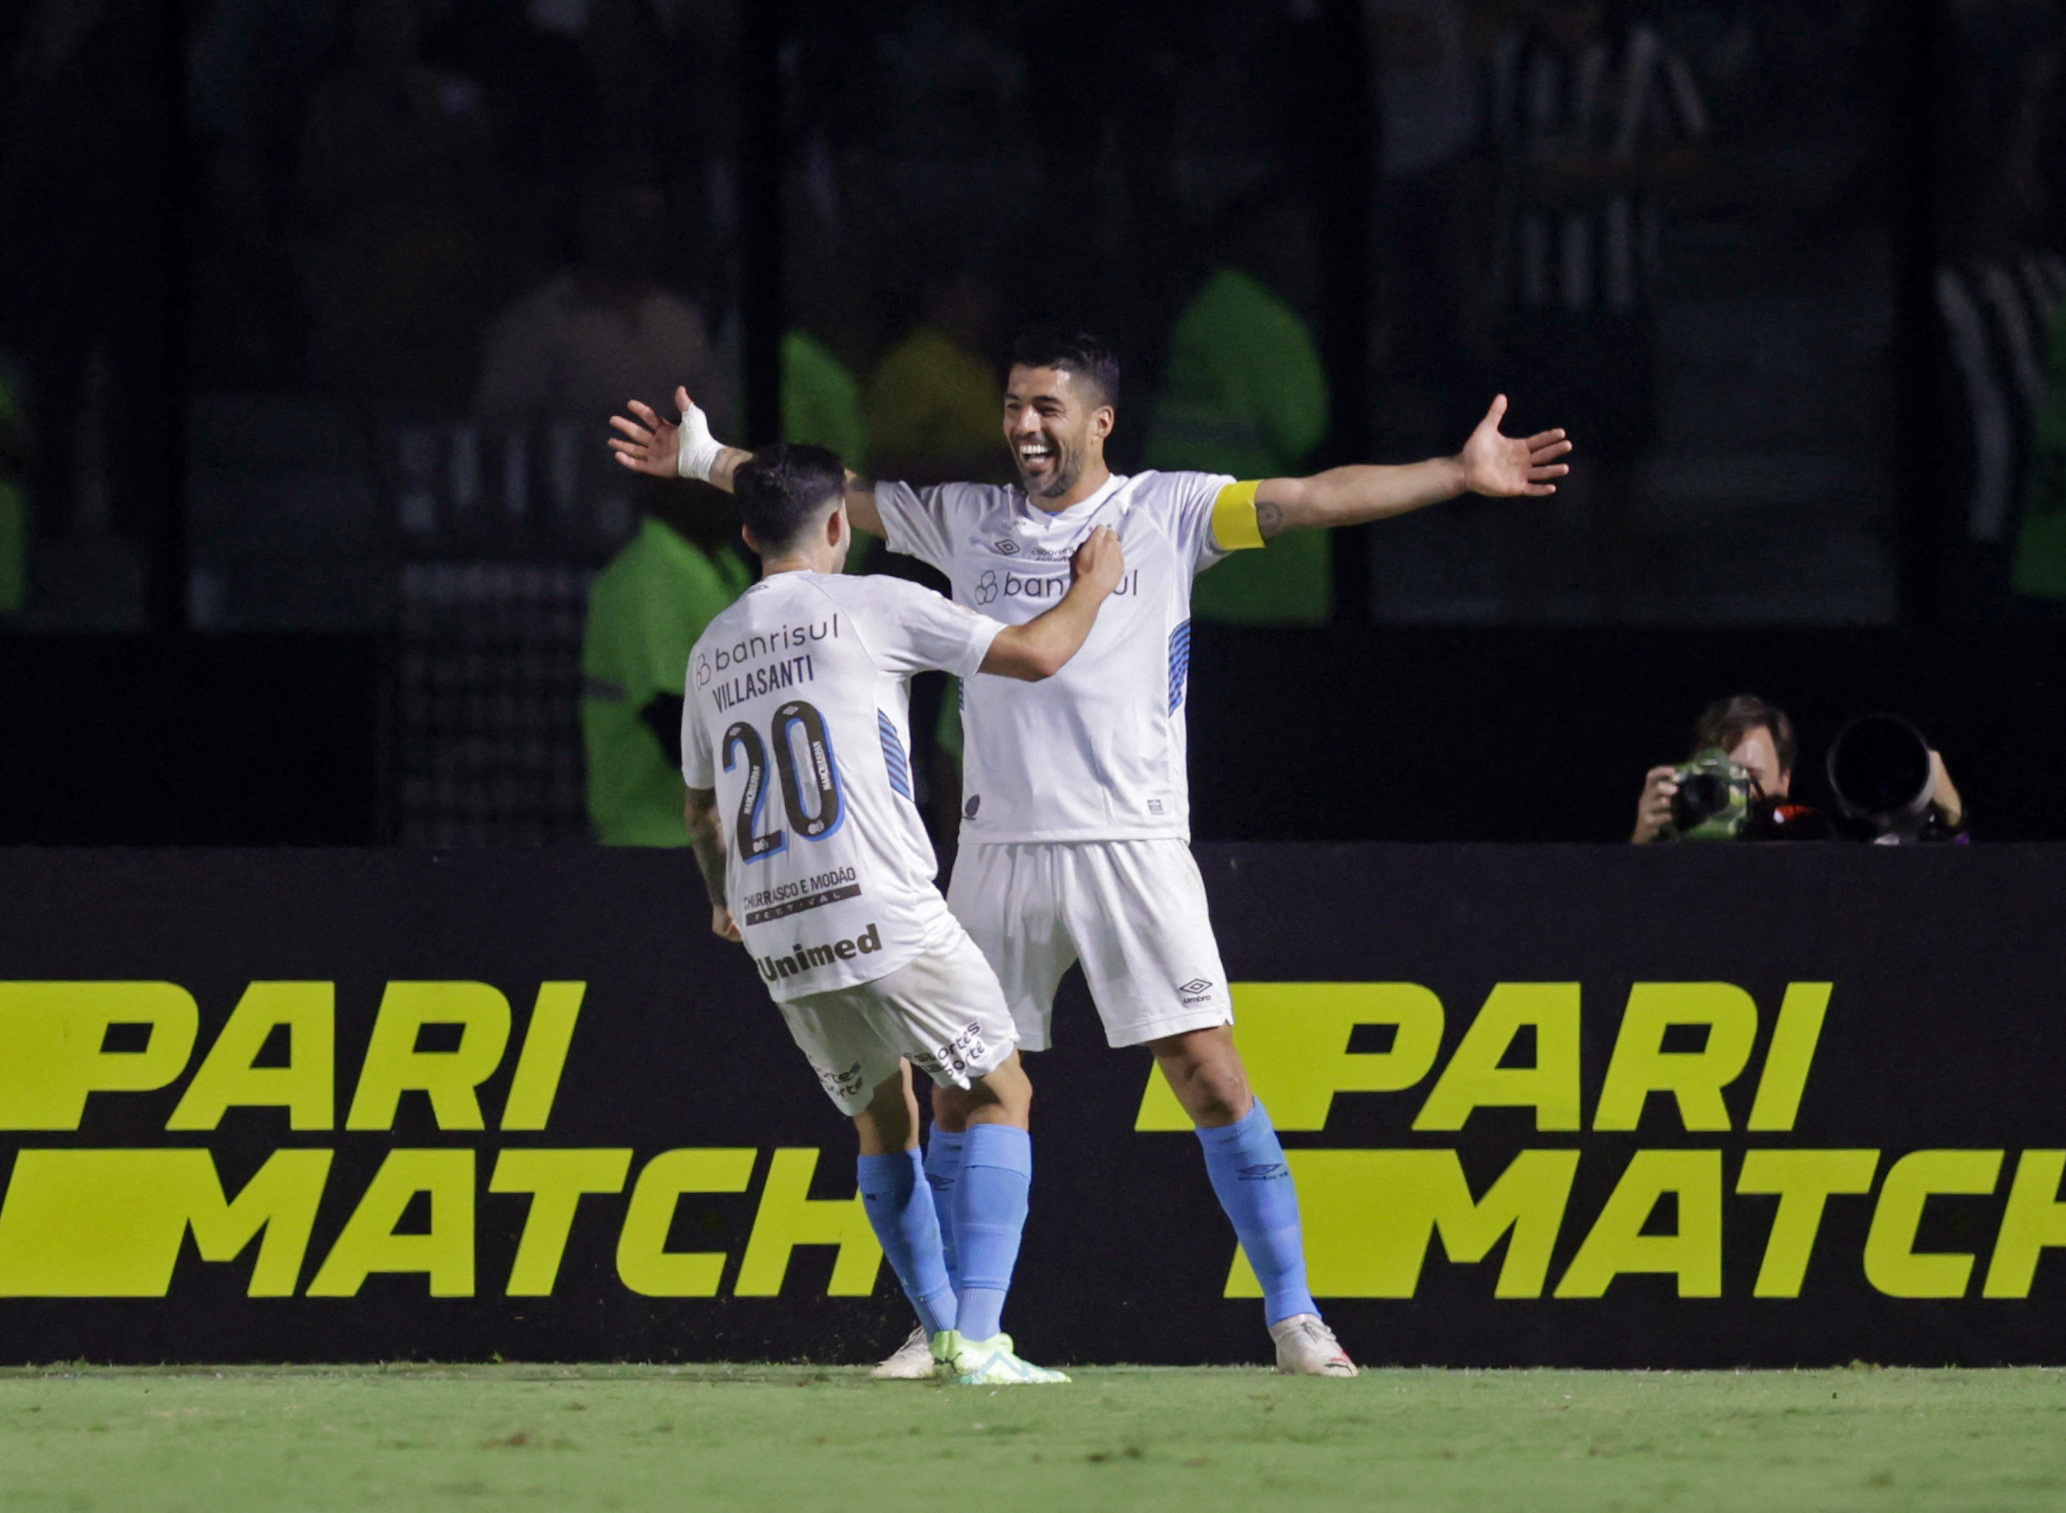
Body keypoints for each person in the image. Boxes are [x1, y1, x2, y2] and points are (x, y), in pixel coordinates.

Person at [611, 331, 1571, 1375]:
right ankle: (955, 1335)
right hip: (996, 849)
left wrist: (1454, 472)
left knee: (1206, 1073)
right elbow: (825, 496)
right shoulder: (964, 518)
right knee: (956, 1093)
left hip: (1132, 841)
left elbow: (1310, 496)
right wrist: (708, 461)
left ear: (1098, 421)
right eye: (1014, 406)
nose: (1023, 424)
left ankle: (1295, 1318)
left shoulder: (1166, 510)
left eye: (1044, 408)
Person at [679, 441, 1125, 1384]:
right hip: (880, 904)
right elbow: (1038, 653)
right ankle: (983, 1339)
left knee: (886, 1121)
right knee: (1005, 1093)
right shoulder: (872, 603)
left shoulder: (712, 646)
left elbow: (704, 808)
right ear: (840, 525)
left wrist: (724, 900)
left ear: (751, 534)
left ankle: (937, 1335)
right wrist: (1094, 582)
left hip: (776, 927)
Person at [580, 480, 750, 846]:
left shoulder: (722, 566)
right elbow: (670, 717)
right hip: (655, 836)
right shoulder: (648, 577)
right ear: (666, 487)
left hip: (720, 835)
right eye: (702, 476)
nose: (722, 489)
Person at [1630, 694, 1968, 844]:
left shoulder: (1812, 840)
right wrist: (1641, 845)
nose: (1731, 790)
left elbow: (1931, 901)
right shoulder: (1673, 852)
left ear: (1784, 781)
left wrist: (1951, 820)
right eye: (1715, 776)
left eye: (1749, 777)